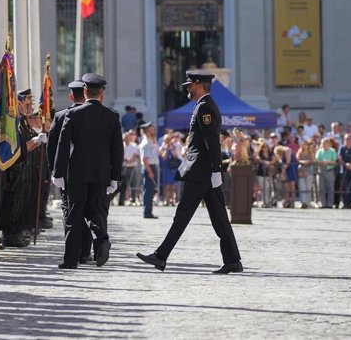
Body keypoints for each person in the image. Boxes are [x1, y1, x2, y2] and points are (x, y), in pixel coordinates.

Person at [137, 72, 242, 274]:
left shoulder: (205, 107)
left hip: (201, 172)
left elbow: (211, 141)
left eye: (190, 85)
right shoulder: (201, 106)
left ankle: (161, 256)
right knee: (219, 217)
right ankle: (232, 260)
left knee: (183, 215)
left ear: (200, 85)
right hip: (203, 171)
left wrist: (215, 169)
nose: (187, 88)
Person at [53, 73, 124, 269]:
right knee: (97, 211)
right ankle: (101, 240)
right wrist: (115, 177)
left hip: (77, 172)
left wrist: (58, 173)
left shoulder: (73, 114)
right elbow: (117, 149)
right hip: (101, 174)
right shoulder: (112, 116)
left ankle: (71, 260)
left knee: (74, 216)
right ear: (102, 94)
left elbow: (63, 144)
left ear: (85, 92)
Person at [47, 80, 93, 264]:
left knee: (71, 213)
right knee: (90, 212)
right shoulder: (99, 114)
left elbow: (53, 146)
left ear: (71, 96)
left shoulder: (61, 116)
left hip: (67, 173)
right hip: (93, 173)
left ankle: (75, 253)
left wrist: (54, 170)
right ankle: (86, 251)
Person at [139, 122, 159, 218]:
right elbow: (144, 159)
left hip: (152, 166)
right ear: (147, 131)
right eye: (151, 130)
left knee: (151, 191)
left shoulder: (151, 141)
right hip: (149, 167)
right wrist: (150, 171)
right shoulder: (146, 143)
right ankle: (147, 212)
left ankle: (148, 211)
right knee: (148, 191)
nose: (154, 131)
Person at [338, 133, 351, 209]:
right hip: (344, 170)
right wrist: (345, 164)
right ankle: (344, 203)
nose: (346, 141)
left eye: (348, 139)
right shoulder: (342, 148)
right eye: (345, 139)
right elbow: (340, 158)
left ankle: (349, 203)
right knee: (344, 186)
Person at [315, 137, 337, 208]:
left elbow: (334, 161)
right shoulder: (319, 151)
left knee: (330, 188)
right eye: (322, 143)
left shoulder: (332, 151)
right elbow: (316, 160)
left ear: (329, 144)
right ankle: (322, 203)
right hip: (321, 170)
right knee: (321, 188)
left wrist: (327, 162)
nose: (323, 145)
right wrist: (321, 162)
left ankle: (330, 204)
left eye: (325, 143)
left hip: (329, 171)